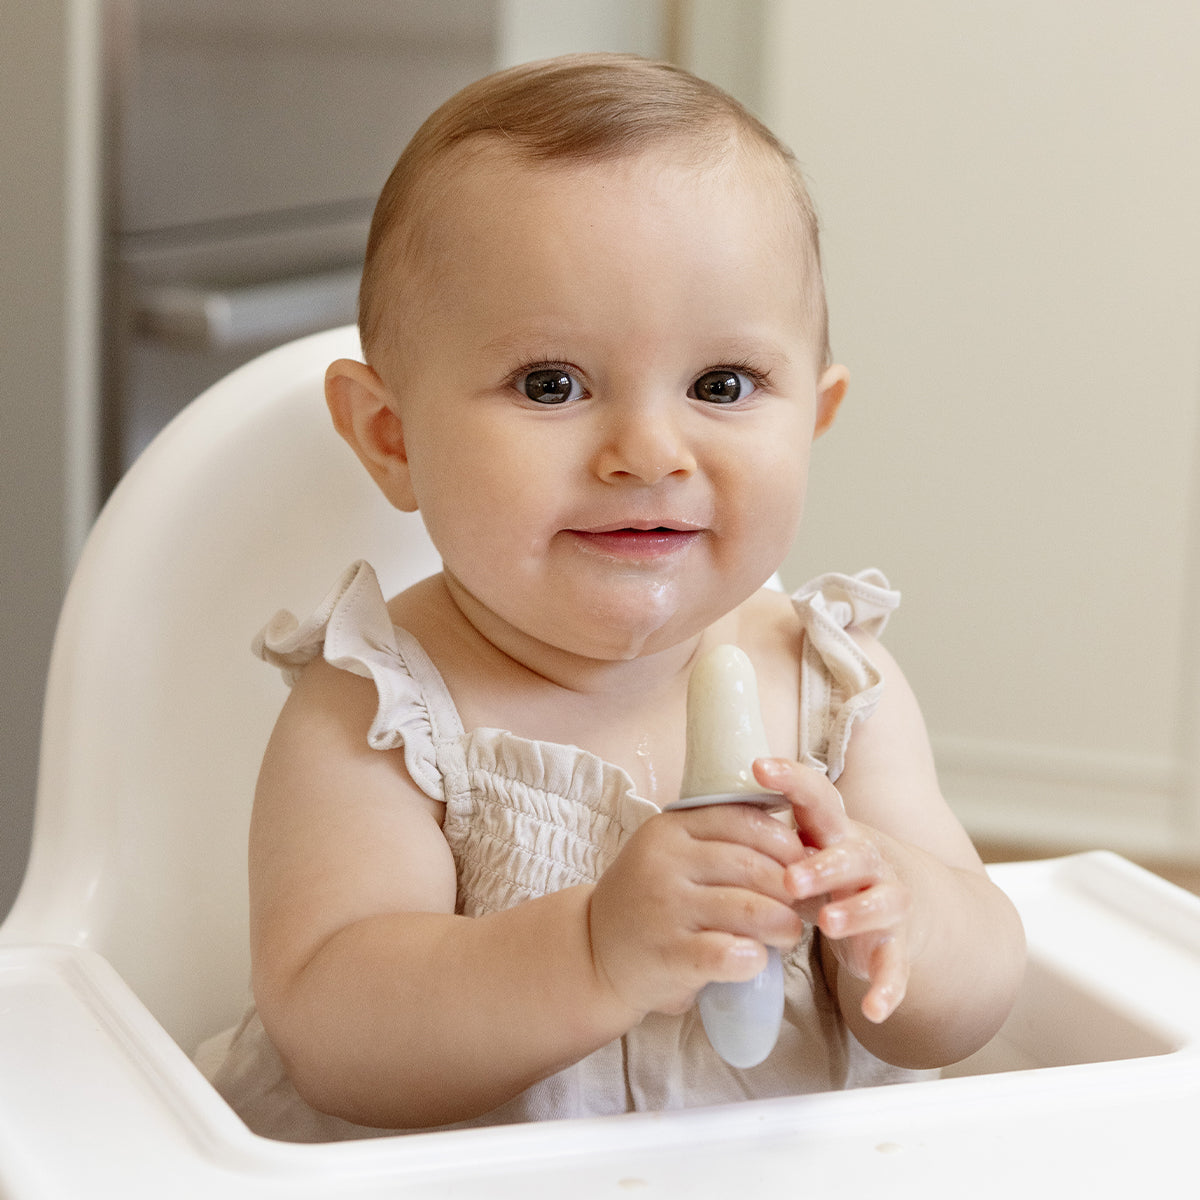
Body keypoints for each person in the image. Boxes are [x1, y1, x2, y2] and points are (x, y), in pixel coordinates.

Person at [196, 52, 1025, 1141]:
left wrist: (903, 918)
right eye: (552, 384)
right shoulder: (385, 709)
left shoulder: (835, 685)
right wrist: (591, 950)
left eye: (723, 386)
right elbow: (338, 1029)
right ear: (391, 439)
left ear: (812, 420)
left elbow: (969, 1001)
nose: (647, 451)